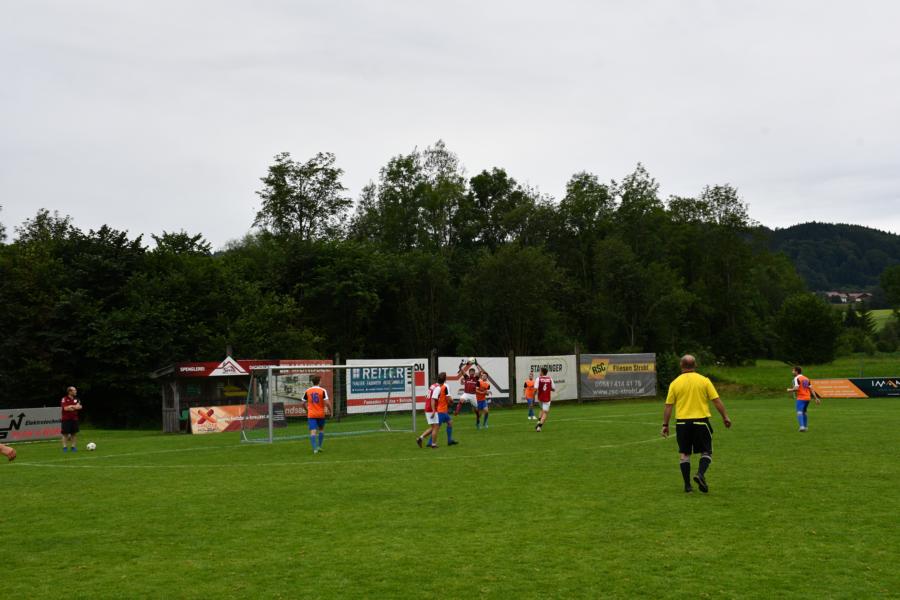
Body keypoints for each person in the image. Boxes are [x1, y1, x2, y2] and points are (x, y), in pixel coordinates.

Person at [661, 355, 732, 493]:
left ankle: (688, 487)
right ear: (695, 365)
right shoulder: (704, 381)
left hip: (682, 423)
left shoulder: (675, 383)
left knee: (684, 454)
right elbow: (716, 400)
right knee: (706, 451)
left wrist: (665, 425)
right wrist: (725, 417)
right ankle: (700, 474)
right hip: (701, 422)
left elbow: (668, 406)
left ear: (681, 365)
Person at [302, 375, 332, 454]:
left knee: (313, 431)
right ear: (319, 382)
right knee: (321, 430)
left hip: (311, 414)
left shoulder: (308, 390)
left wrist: (307, 410)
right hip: (320, 414)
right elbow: (327, 403)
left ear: (312, 382)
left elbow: (303, 403)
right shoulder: (322, 390)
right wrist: (331, 411)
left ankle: (315, 449)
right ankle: (319, 446)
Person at [417, 374, 446, 448]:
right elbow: (433, 399)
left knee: (433, 427)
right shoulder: (438, 388)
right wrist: (433, 411)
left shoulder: (433, 385)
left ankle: (420, 438)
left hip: (428, 407)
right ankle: (433, 444)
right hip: (431, 408)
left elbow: (428, 396)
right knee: (436, 427)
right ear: (444, 381)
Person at [787, 366, 820, 432]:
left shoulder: (796, 378)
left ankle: (802, 427)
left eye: (793, 371)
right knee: (804, 412)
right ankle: (806, 427)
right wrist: (816, 398)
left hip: (801, 398)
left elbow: (796, 388)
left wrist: (790, 390)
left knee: (799, 412)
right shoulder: (806, 378)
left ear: (796, 371)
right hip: (808, 398)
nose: (792, 372)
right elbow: (811, 389)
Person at [436, 372, 459, 446]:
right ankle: (428, 441)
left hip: (440, 409)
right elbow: (448, 397)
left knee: (450, 422)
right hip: (441, 410)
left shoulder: (435, 386)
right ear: (445, 378)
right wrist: (452, 402)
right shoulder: (445, 386)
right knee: (436, 427)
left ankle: (449, 440)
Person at [60, 386, 82, 453]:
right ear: (70, 391)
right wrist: (74, 406)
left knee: (74, 433)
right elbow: (65, 408)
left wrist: (71, 406)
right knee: (65, 434)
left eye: (75, 390)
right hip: (66, 419)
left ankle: (73, 447)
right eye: (74, 390)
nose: (76, 391)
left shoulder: (77, 399)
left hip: (74, 419)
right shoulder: (64, 399)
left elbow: (80, 407)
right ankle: (65, 447)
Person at [534, 367, 556, 432]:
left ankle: (538, 421)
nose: (539, 372)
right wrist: (549, 388)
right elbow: (553, 389)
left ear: (542, 372)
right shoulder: (550, 379)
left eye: (540, 371)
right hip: (547, 398)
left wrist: (533, 395)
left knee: (541, 409)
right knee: (545, 412)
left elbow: (535, 389)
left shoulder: (538, 379)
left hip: (540, 398)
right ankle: (539, 427)